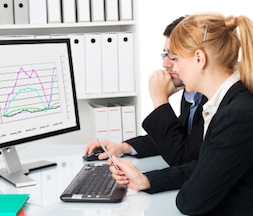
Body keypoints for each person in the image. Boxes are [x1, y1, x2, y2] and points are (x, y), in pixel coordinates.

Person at [109, 12, 253, 215]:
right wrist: (147, 180)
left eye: (175, 58)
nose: (172, 67)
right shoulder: (227, 102)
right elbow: (205, 164)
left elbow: (189, 201)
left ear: (199, 58)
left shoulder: (235, 115)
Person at [85, 16, 207, 166]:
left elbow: (182, 158)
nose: (165, 64)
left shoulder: (214, 101)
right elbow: (177, 137)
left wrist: (160, 100)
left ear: (199, 58)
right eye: (166, 55)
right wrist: (124, 147)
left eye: (174, 57)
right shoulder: (193, 95)